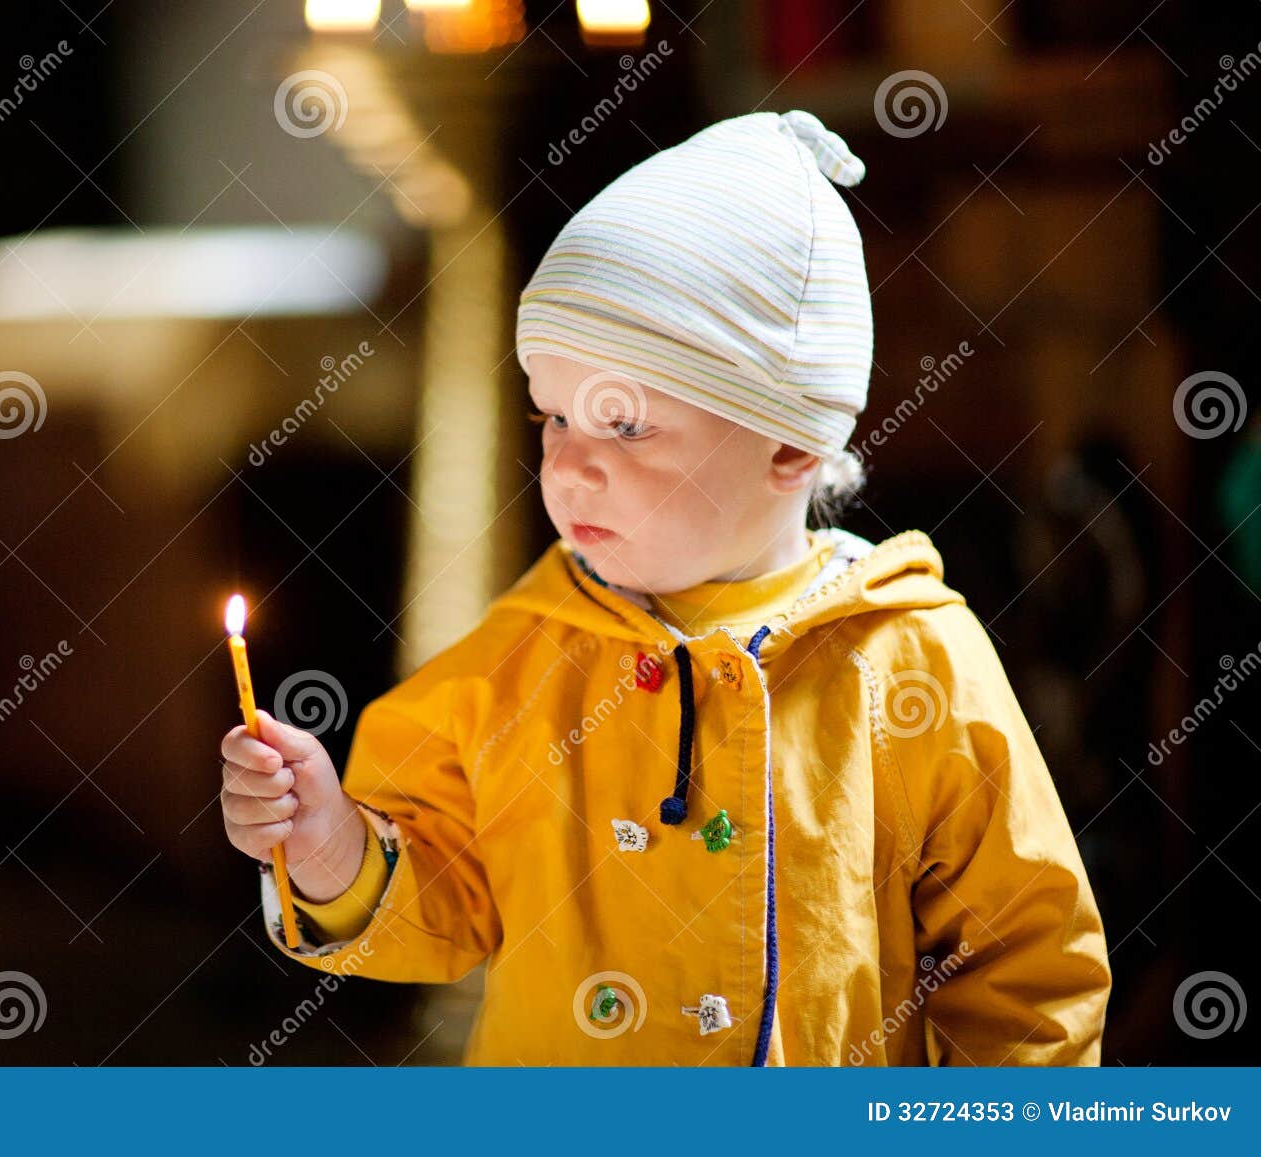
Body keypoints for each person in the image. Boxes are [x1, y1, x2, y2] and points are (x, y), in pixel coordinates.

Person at [219, 109, 1111, 1065]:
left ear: (789, 443)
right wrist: (328, 846)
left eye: (627, 427)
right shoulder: (522, 656)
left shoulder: (910, 659)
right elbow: (441, 880)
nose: (569, 468)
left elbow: (1026, 958)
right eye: (554, 418)